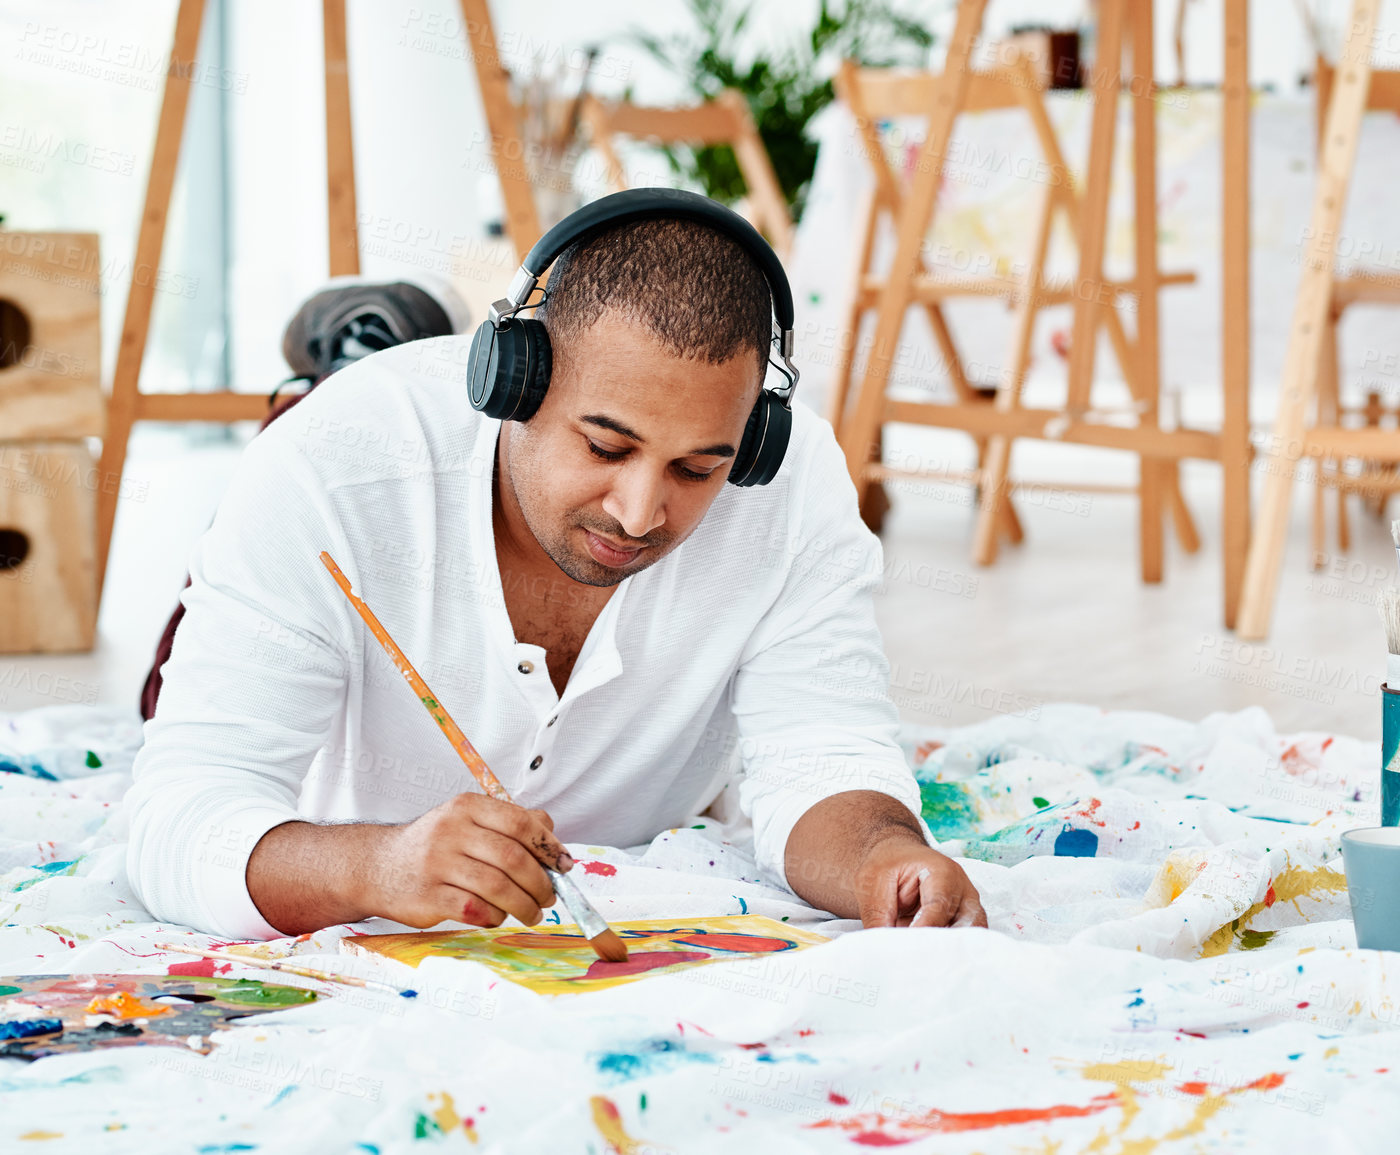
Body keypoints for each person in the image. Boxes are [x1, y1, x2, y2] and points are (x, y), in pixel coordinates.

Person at [125, 190, 986, 939]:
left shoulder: (791, 485)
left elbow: (822, 751)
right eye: (606, 445)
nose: (640, 512)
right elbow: (172, 820)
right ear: (514, 381)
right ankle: (355, 352)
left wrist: (885, 862)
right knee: (172, 685)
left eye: (697, 469)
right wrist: (376, 864)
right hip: (351, 459)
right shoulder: (327, 464)